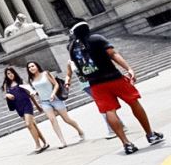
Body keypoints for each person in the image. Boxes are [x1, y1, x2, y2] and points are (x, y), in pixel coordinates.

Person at [68, 20, 164, 154]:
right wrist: (129, 68)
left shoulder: (72, 47)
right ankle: (150, 135)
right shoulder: (97, 38)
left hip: (95, 84)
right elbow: (112, 54)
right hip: (114, 78)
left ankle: (126, 143)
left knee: (109, 111)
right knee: (133, 102)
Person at [27, 61, 85, 148]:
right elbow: (37, 90)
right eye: (29, 67)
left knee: (66, 119)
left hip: (56, 100)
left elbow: (56, 84)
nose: (31, 68)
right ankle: (62, 142)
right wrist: (34, 93)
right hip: (44, 102)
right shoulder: (31, 80)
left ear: (37, 66)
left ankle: (80, 130)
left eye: (33, 66)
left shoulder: (45, 74)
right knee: (52, 120)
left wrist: (53, 94)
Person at [65, 58, 124, 139]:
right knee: (103, 105)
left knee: (103, 107)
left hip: (96, 82)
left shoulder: (87, 55)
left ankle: (113, 129)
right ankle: (120, 125)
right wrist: (67, 81)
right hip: (86, 86)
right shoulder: (70, 62)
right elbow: (69, 74)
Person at [1, 66, 49, 153]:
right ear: (6, 75)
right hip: (18, 107)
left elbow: (30, 94)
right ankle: (45, 143)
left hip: (27, 104)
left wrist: (37, 106)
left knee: (28, 124)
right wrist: (7, 95)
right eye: (8, 73)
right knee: (33, 125)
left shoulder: (21, 81)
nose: (10, 75)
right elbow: (6, 95)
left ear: (14, 73)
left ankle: (38, 145)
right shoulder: (6, 85)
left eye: (11, 72)